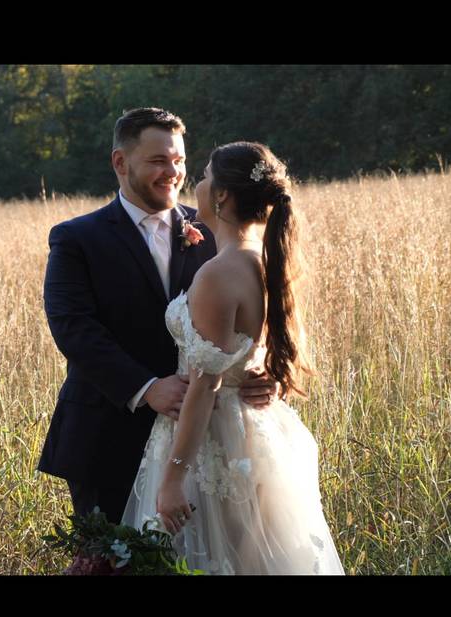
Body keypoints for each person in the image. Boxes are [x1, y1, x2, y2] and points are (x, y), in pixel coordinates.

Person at [38, 108, 277, 525]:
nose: (173, 172)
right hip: (109, 435)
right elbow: (73, 328)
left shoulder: (214, 227)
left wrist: (262, 372)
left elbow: (249, 317)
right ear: (120, 162)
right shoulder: (77, 238)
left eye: (180, 160)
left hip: (204, 442)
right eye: (158, 161)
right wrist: (146, 388)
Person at [121, 141, 345, 574]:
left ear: (221, 195)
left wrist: (172, 479)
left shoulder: (219, 273)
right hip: (253, 431)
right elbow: (252, 349)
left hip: (213, 442)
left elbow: (206, 385)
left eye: (204, 176)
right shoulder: (263, 259)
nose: (197, 184)